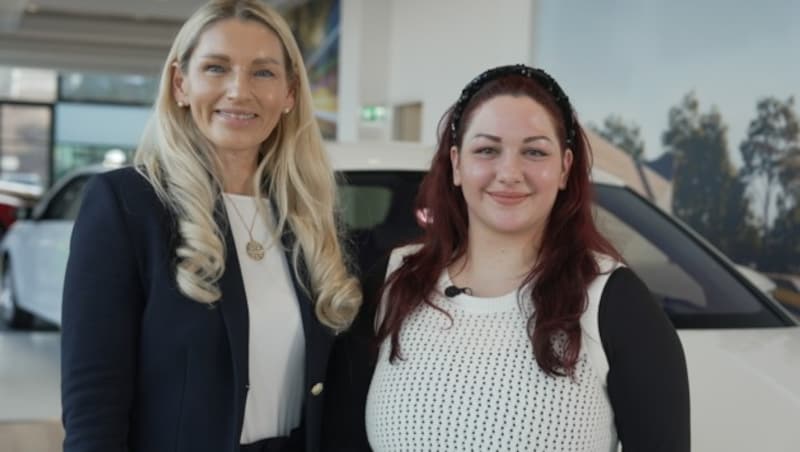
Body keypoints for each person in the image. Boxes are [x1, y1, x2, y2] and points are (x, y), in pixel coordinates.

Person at [326, 64, 690, 451]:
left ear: (565, 168)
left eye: (534, 151)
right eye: (487, 150)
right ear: (456, 164)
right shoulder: (392, 283)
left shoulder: (615, 303)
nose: (510, 172)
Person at [60, 1, 361, 451]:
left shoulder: (310, 216)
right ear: (181, 84)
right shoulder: (128, 205)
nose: (239, 91)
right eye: (217, 68)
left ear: (290, 93)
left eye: (263, 73)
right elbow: (93, 403)